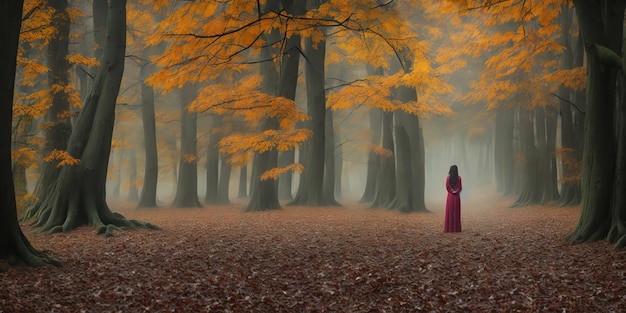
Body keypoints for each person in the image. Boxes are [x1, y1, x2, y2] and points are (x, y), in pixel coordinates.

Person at [444, 165, 462, 232]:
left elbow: (447, 187)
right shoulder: (459, 178)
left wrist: (452, 191)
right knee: (456, 212)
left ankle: (449, 228)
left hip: (450, 197)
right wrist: (456, 191)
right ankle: (456, 228)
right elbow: (460, 187)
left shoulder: (448, 178)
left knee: (450, 212)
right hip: (456, 197)